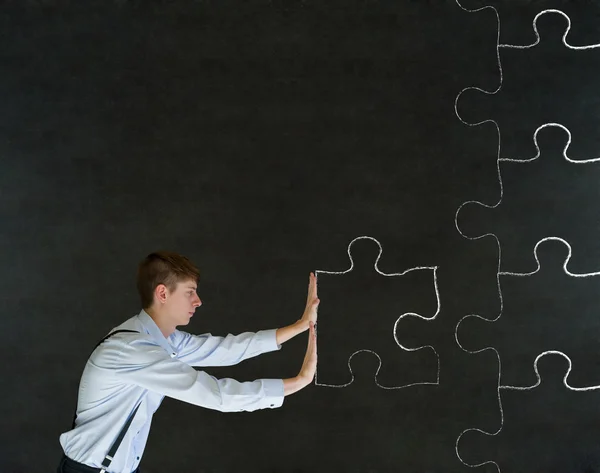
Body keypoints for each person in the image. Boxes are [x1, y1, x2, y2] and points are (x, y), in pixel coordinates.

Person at [56, 251, 319, 473]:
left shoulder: (162, 339)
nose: (198, 301)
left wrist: (299, 326)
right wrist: (298, 382)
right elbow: (215, 395)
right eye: (190, 292)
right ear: (162, 293)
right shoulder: (132, 349)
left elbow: (225, 349)